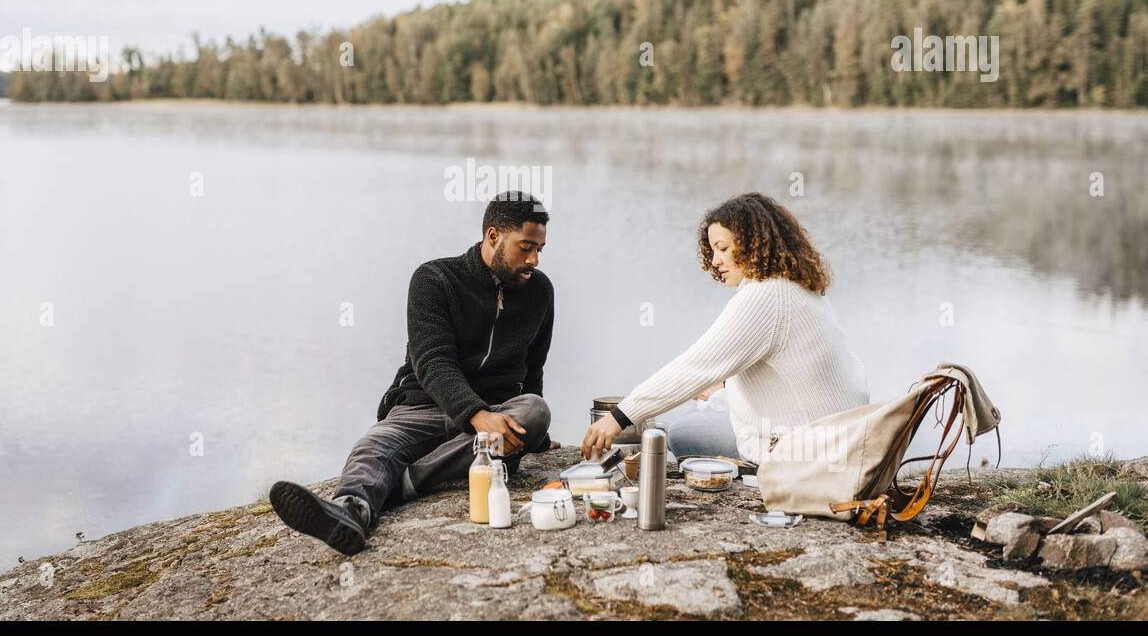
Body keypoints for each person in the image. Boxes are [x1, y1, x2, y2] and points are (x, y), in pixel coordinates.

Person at [270, 191, 555, 554]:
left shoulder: (540, 292)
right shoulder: (435, 279)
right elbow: (432, 362)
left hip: (496, 416)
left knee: (534, 411)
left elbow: (534, 367)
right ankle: (350, 512)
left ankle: (404, 482)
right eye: (526, 247)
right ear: (494, 236)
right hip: (425, 404)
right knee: (374, 445)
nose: (533, 260)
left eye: (539, 250)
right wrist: (475, 415)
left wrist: (537, 437)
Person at [581, 192, 867, 466]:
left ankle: (758, 471)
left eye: (723, 248)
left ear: (753, 243)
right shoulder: (799, 287)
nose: (715, 261)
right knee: (702, 403)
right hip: (843, 437)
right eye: (713, 249)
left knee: (682, 432)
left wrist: (620, 417)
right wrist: (725, 388)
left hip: (809, 451)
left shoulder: (766, 296)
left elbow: (693, 367)